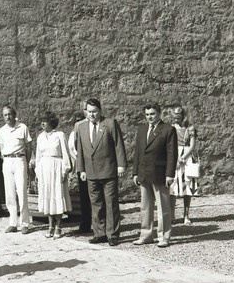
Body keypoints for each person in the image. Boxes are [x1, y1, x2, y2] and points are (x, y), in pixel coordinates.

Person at [74, 98, 127, 246]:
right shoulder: (81, 127)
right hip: (90, 172)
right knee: (95, 203)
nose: (92, 115)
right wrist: (81, 170)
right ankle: (99, 233)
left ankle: (113, 234)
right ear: (86, 112)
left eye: (94, 111)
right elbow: (80, 150)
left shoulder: (110, 124)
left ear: (100, 110)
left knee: (111, 203)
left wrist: (121, 165)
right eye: (89, 112)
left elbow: (118, 145)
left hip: (109, 170)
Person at [132, 103, 177, 248]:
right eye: (147, 114)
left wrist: (170, 174)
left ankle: (164, 236)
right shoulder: (142, 129)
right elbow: (138, 152)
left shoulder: (168, 130)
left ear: (159, 113)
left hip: (160, 174)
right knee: (145, 206)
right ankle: (146, 234)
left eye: (152, 114)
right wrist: (135, 172)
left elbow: (172, 154)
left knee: (163, 207)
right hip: (144, 174)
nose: (149, 117)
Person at [33, 112, 71, 238]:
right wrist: (38, 172)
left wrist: (65, 170)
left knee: (57, 195)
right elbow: (38, 156)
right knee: (48, 196)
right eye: (41, 121)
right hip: (44, 168)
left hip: (57, 167)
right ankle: (50, 226)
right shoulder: (40, 137)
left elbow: (65, 154)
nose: (43, 124)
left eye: (45, 121)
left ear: (51, 122)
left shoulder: (59, 135)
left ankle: (58, 227)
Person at [0, 105, 32, 234]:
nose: (8, 117)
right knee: (9, 193)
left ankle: (25, 223)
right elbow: (1, 148)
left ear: (14, 114)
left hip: (20, 160)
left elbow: (29, 146)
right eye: (5, 115)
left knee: (21, 192)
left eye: (10, 114)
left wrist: (26, 162)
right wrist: (6, 159)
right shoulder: (2, 130)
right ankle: (12, 223)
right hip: (7, 161)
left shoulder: (22, 127)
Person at [169, 106, 198, 225]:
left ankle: (186, 215)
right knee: (173, 185)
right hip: (174, 157)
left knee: (187, 186)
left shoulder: (190, 128)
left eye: (178, 115)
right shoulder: (171, 128)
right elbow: (169, 145)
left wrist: (183, 157)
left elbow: (192, 146)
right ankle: (171, 214)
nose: (176, 118)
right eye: (174, 115)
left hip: (187, 158)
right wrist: (176, 158)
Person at [67, 110, 92, 233]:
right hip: (82, 165)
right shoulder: (76, 130)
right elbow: (74, 148)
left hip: (94, 165)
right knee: (84, 196)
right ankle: (86, 223)